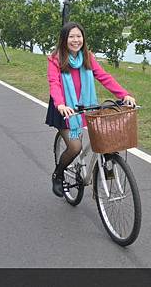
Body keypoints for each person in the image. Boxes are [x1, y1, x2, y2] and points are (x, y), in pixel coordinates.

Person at [46, 22, 136, 197]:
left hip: (84, 106)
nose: (75, 40)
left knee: (105, 139)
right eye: (71, 36)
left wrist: (124, 95)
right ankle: (58, 175)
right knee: (75, 147)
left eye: (78, 36)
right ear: (64, 39)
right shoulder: (56, 59)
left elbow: (104, 77)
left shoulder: (87, 57)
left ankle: (102, 175)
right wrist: (61, 104)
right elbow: (54, 83)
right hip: (64, 110)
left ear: (83, 38)